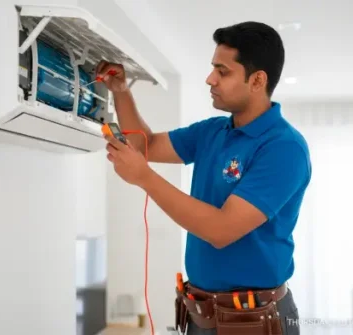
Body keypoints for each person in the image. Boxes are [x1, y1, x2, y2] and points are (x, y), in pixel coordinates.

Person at [97, 21, 311, 335]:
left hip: (253, 320)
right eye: (213, 68)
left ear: (257, 80)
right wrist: (121, 91)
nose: (210, 79)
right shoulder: (213, 131)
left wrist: (145, 178)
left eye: (223, 72)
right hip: (200, 312)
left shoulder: (283, 148)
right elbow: (147, 144)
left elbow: (221, 230)